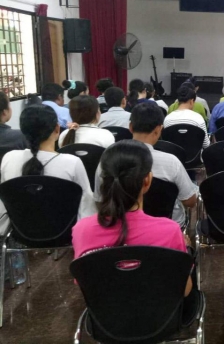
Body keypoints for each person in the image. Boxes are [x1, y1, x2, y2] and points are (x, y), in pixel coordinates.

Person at [72, 140, 198, 322]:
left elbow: (85, 284)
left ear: (103, 181)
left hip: (108, 322)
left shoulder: (81, 230)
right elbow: (185, 290)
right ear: (147, 181)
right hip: (163, 320)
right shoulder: (169, 230)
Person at [95, 102, 198, 228]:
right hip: (164, 228)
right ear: (159, 130)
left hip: (118, 228)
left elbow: (99, 200)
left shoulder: (108, 158)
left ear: (130, 127)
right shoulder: (171, 163)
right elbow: (190, 201)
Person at [0, 105, 96, 234]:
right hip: (64, 235)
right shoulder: (72, 163)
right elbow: (87, 206)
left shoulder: (9, 158)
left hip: (21, 235)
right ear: (57, 129)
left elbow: (4, 203)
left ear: (23, 130)